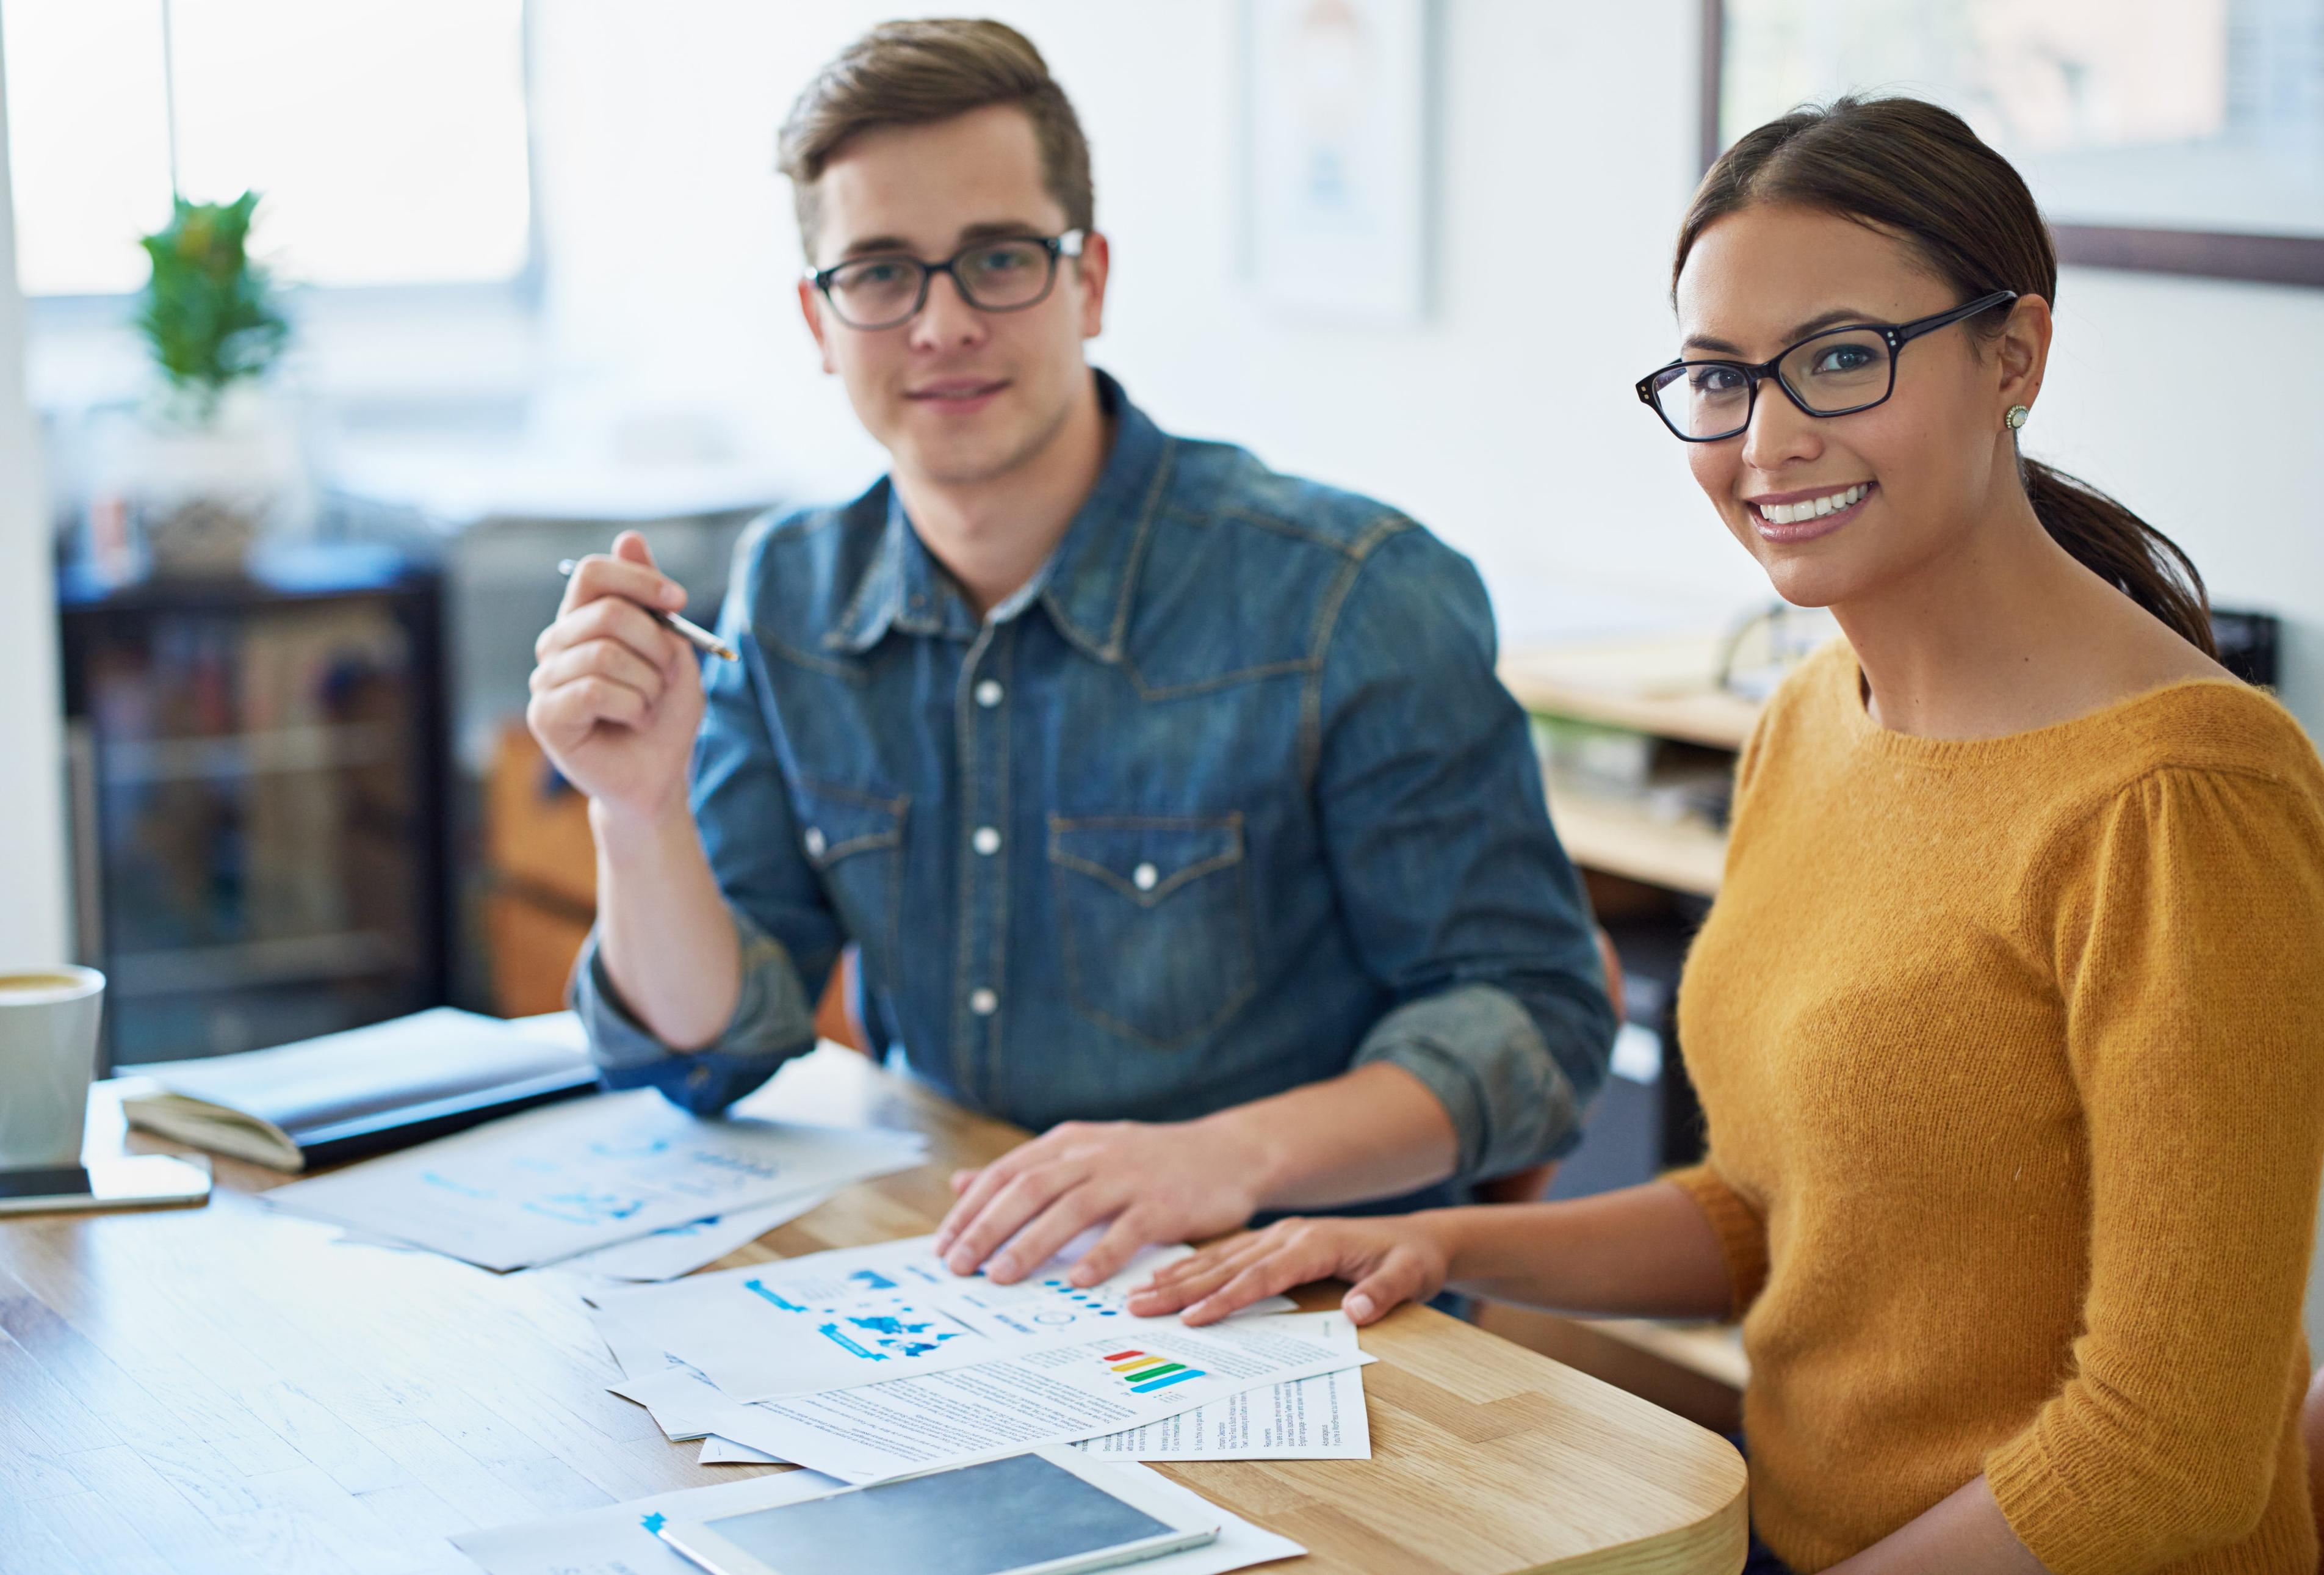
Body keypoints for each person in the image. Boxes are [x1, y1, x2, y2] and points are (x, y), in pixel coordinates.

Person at [1132, 96, 2324, 1575]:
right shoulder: (1812, 715)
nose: (1767, 439)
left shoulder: (2186, 800)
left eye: (1841, 358)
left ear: (2013, 354)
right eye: (1718, 377)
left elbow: (2173, 1455)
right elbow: (1782, 1213)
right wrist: (1449, 1242)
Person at [524, 18, 1614, 1295]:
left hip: (1296, 1307)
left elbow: (1536, 1020)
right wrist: (638, 813)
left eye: (997, 260)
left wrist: (1223, 1157)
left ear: (1089, 280)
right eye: (878, 272)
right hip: (957, 1284)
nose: (939, 325)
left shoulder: (1349, 595)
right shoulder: (793, 591)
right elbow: (708, 1057)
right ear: (820, 322)